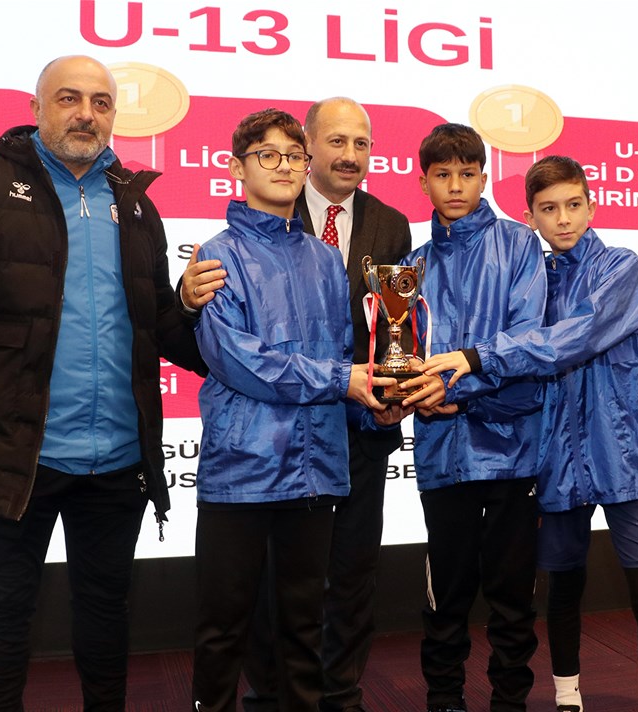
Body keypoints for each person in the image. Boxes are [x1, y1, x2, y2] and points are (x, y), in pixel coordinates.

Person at [0, 55, 206, 711]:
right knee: (4, 608)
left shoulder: (136, 205)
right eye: (68, 98)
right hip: (14, 450)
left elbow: (159, 325)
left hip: (118, 456)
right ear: (36, 109)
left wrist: (210, 326)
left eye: (101, 103)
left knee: (107, 609)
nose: (86, 114)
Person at [424, 155, 638, 712]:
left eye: (573, 205)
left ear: (592, 206)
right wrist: (454, 388)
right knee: (563, 585)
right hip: (556, 460)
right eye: (548, 209)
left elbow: (571, 339)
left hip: (621, 458)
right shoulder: (533, 279)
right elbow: (524, 369)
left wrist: (476, 357)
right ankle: (567, 697)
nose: (563, 218)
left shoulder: (621, 268)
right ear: (530, 217)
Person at [188, 108, 391, 712]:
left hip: (316, 467)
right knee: (224, 628)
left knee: (306, 629)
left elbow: (341, 354)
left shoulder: (326, 260)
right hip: (243, 468)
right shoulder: (217, 255)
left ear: (307, 167)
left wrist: (373, 404)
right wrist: (343, 381)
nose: (283, 166)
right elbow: (239, 361)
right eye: (267, 155)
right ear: (237, 168)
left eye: (294, 156)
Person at [397, 123, 547, 712]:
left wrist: (457, 390)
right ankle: (444, 700)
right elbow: (403, 353)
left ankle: (511, 701)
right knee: (447, 593)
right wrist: (412, 391)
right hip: (441, 453)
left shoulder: (518, 244)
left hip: (512, 449)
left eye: (467, 173)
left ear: (484, 178)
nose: (455, 185)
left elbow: (528, 341)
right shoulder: (411, 266)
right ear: (423, 182)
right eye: (442, 175)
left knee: (512, 597)